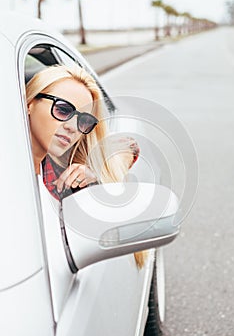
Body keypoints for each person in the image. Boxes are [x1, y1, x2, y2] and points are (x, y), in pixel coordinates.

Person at [25, 64, 147, 268]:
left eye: (83, 120)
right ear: (29, 102)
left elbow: (128, 146)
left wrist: (96, 171)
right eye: (63, 110)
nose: (73, 127)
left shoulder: (63, 169)